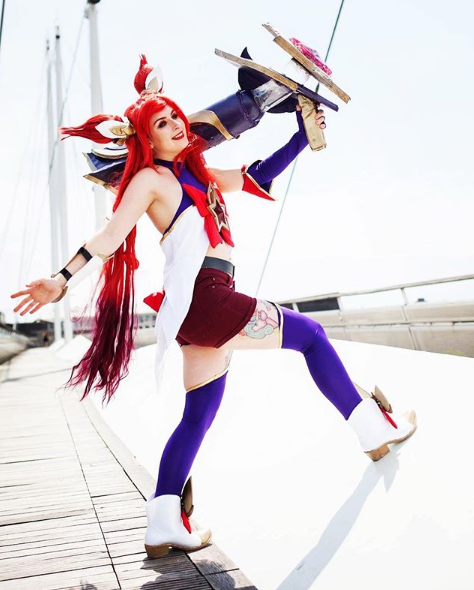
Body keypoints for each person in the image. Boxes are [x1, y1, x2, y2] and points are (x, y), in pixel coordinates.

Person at [11, 57, 417, 560]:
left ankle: (163, 521)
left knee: (198, 415)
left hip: (198, 310)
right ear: (146, 140)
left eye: (175, 117)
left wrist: (301, 133)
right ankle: (373, 428)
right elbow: (109, 237)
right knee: (311, 336)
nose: (176, 126)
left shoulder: (196, 173)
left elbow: (256, 177)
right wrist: (60, 279)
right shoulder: (150, 181)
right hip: (208, 299)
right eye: (162, 124)